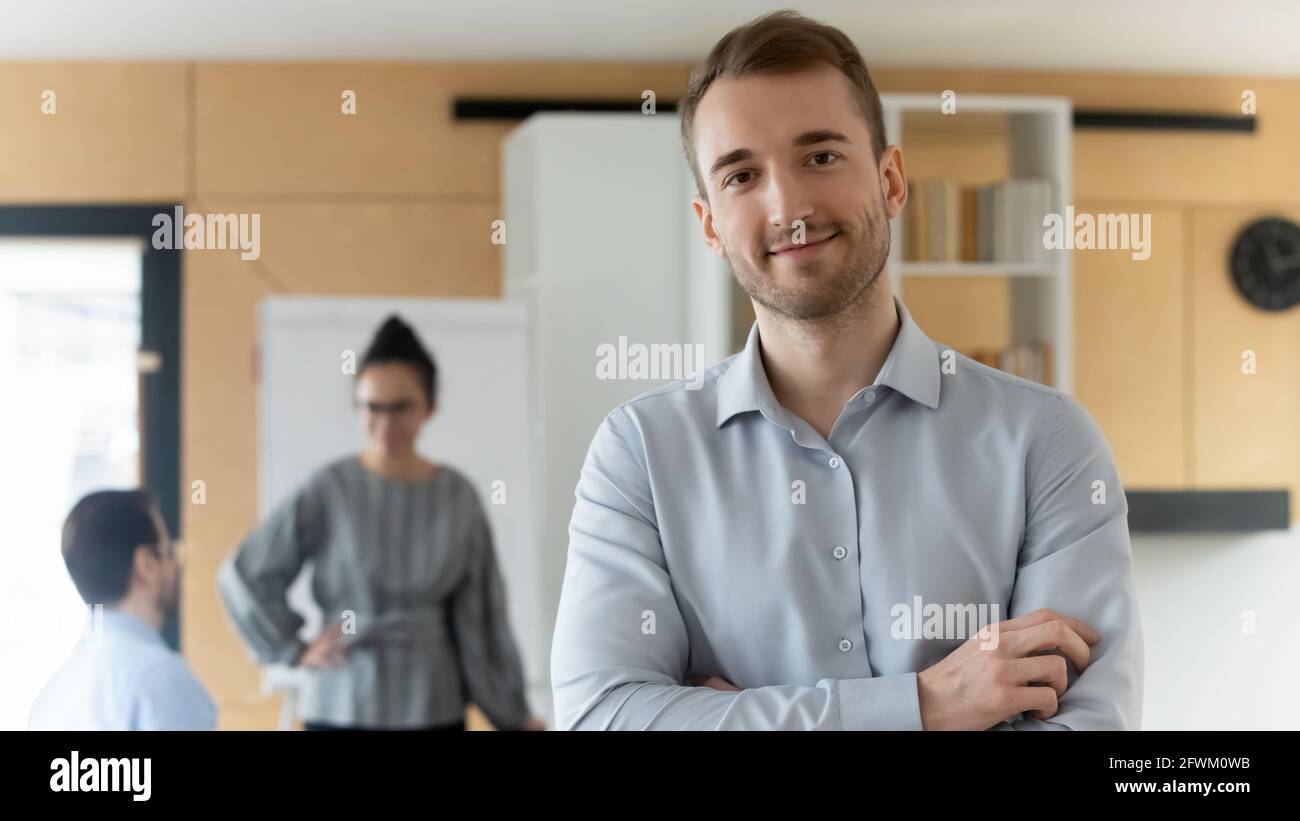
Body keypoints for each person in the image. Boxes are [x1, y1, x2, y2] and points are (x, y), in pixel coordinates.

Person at [550, 10, 1143, 730]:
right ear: (710, 225)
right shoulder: (638, 453)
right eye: (742, 175)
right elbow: (600, 715)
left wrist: (737, 716)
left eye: (821, 156)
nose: (789, 206)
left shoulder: (1047, 441)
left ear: (892, 181)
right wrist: (927, 704)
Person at [219, 314, 543, 731]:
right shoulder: (330, 488)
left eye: (401, 407)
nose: (386, 423)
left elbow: (482, 618)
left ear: (429, 407)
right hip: (339, 706)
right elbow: (245, 573)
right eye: (373, 407)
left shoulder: (458, 497)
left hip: (433, 709)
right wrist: (291, 648)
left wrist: (513, 716)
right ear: (357, 408)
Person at [28, 490, 217, 730]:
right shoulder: (161, 681)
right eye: (170, 551)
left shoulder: (50, 699)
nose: (175, 565)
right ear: (146, 564)